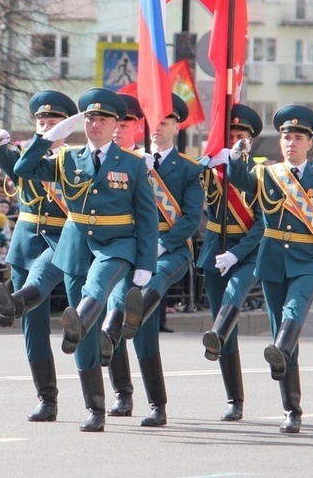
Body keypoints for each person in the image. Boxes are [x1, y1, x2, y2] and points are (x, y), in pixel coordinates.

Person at [11, 88, 158, 433]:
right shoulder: (68, 158)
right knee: (84, 334)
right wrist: (49, 138)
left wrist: (146, 264)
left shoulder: (132, 164)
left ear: (115, 124)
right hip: (76, 244)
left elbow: (147, 217)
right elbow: (23, 168)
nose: (95, 123)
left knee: (96, 290)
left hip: (118, 244)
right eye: (90, 117)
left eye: (103, 118)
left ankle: (78, 318)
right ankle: (96, 408)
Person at [226, 105, 313, 434]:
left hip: (309, 261)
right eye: (286, 137)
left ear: (309, 143)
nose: (291, 143)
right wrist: (238, 157)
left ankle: (280, 351)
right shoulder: (268, 174)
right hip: (272, 260)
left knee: (293, 312)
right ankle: (292, 409)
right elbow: (239, 180)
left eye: (298, 138)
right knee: (280, 329)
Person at [104, 93, 203, 428]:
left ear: (176, 126)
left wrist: (160, 244)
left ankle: (156, 404)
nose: (158, 128)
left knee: (153, 285)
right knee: (122, 305)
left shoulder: (189, 168)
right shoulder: (130, 162)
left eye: (165, 122)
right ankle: (124, 394)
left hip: (171, 250)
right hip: (134, 246)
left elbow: (191, 218)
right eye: (154, 122)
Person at [0, 90, 77, 423]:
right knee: (33, 327)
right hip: (27, 240)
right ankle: (47, 398)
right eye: (41, 121)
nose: (45, 126)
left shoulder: (74, 158)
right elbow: (3, 160)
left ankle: (108, 390)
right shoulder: (25, 153)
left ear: (66, 127)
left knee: (82, 312)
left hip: (61, 238)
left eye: (52, 122)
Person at [197, 103, 264, 422]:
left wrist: (237, 253)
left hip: (248, 250)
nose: (236, 139)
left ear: (250, 141)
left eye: (241, 136)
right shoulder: (209, 168)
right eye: (231, 134)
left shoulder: (261, 173)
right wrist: (207, 160)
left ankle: (219, 335)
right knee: (224, 327)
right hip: (214, 248)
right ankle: (234, 399)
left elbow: (264, 223)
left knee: (234, 296)